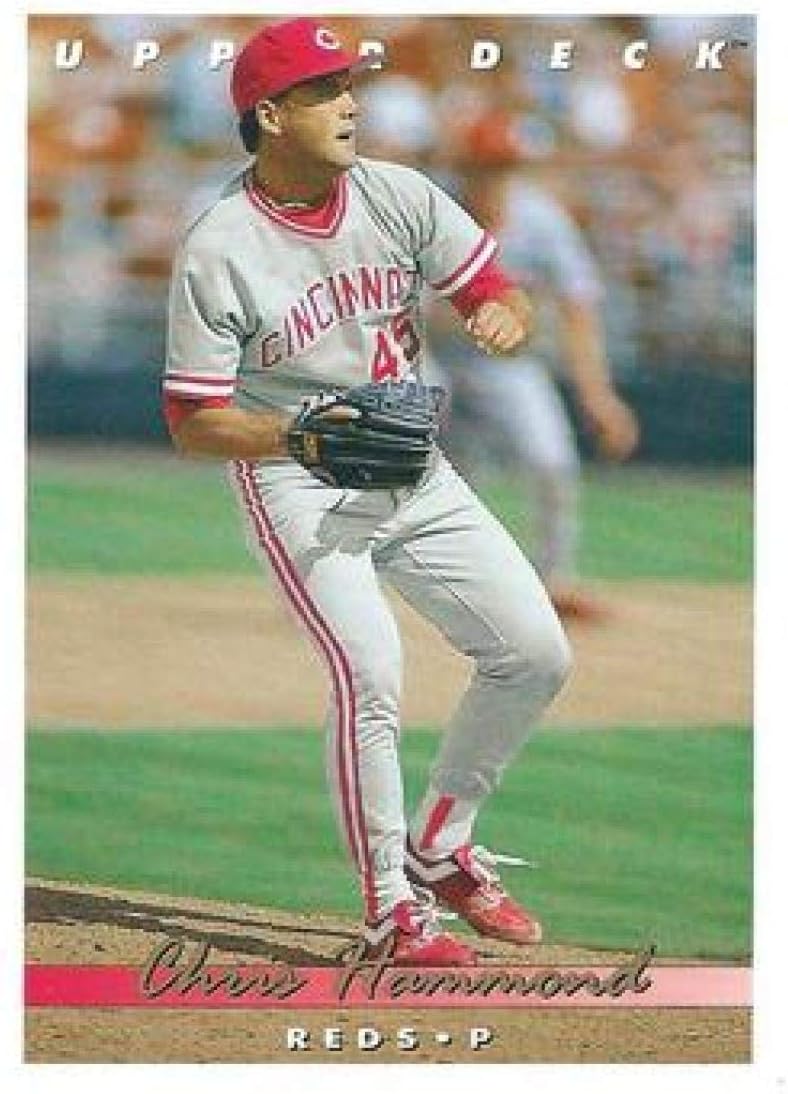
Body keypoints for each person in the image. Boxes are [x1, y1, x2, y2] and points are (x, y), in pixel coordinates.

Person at [162, 18, 572, 966]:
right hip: (294, 481)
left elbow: (499, 290)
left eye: (348, 84)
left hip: (413, 467)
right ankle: (392, 908)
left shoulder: (398, 193)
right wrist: (298, 434)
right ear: (269, 115)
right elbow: (193, 422)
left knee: (535, 654)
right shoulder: (220, 245)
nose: (348, 103)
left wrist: (504, 318)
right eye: (321, 90)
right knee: (371, 674)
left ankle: (440, 844)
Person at [441, 156, 639, 621]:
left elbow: (577, 306)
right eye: (482, 168)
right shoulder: (433, 207)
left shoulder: (541, 219)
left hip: (508, 363)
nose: (491, 178)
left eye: (501, 169)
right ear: (462, 170)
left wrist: (598, 396)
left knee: (551, 460)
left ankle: (552, 579)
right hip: (430, 354)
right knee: (423, 467)